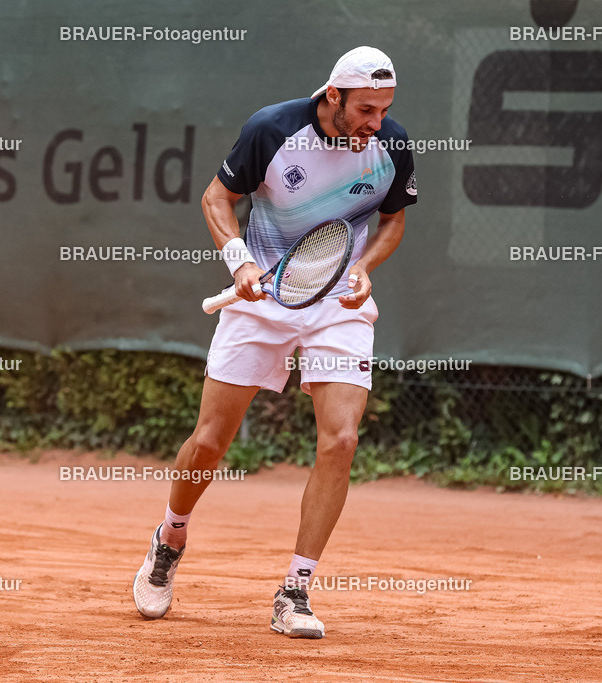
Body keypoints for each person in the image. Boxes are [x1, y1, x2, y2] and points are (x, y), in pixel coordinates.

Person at [133, 46, 417, 639]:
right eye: (366, 109)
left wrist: (366, 266)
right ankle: (170, 537)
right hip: (261, 300)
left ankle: (295, 591)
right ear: (332, 96)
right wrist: (237, 261)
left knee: (340, 440)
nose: (376, 123)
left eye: (384, 110)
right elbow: (217, 198)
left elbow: (393, 220)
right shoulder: (272, 129)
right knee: (210, 441)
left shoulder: (391, 143)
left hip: (339, 302)